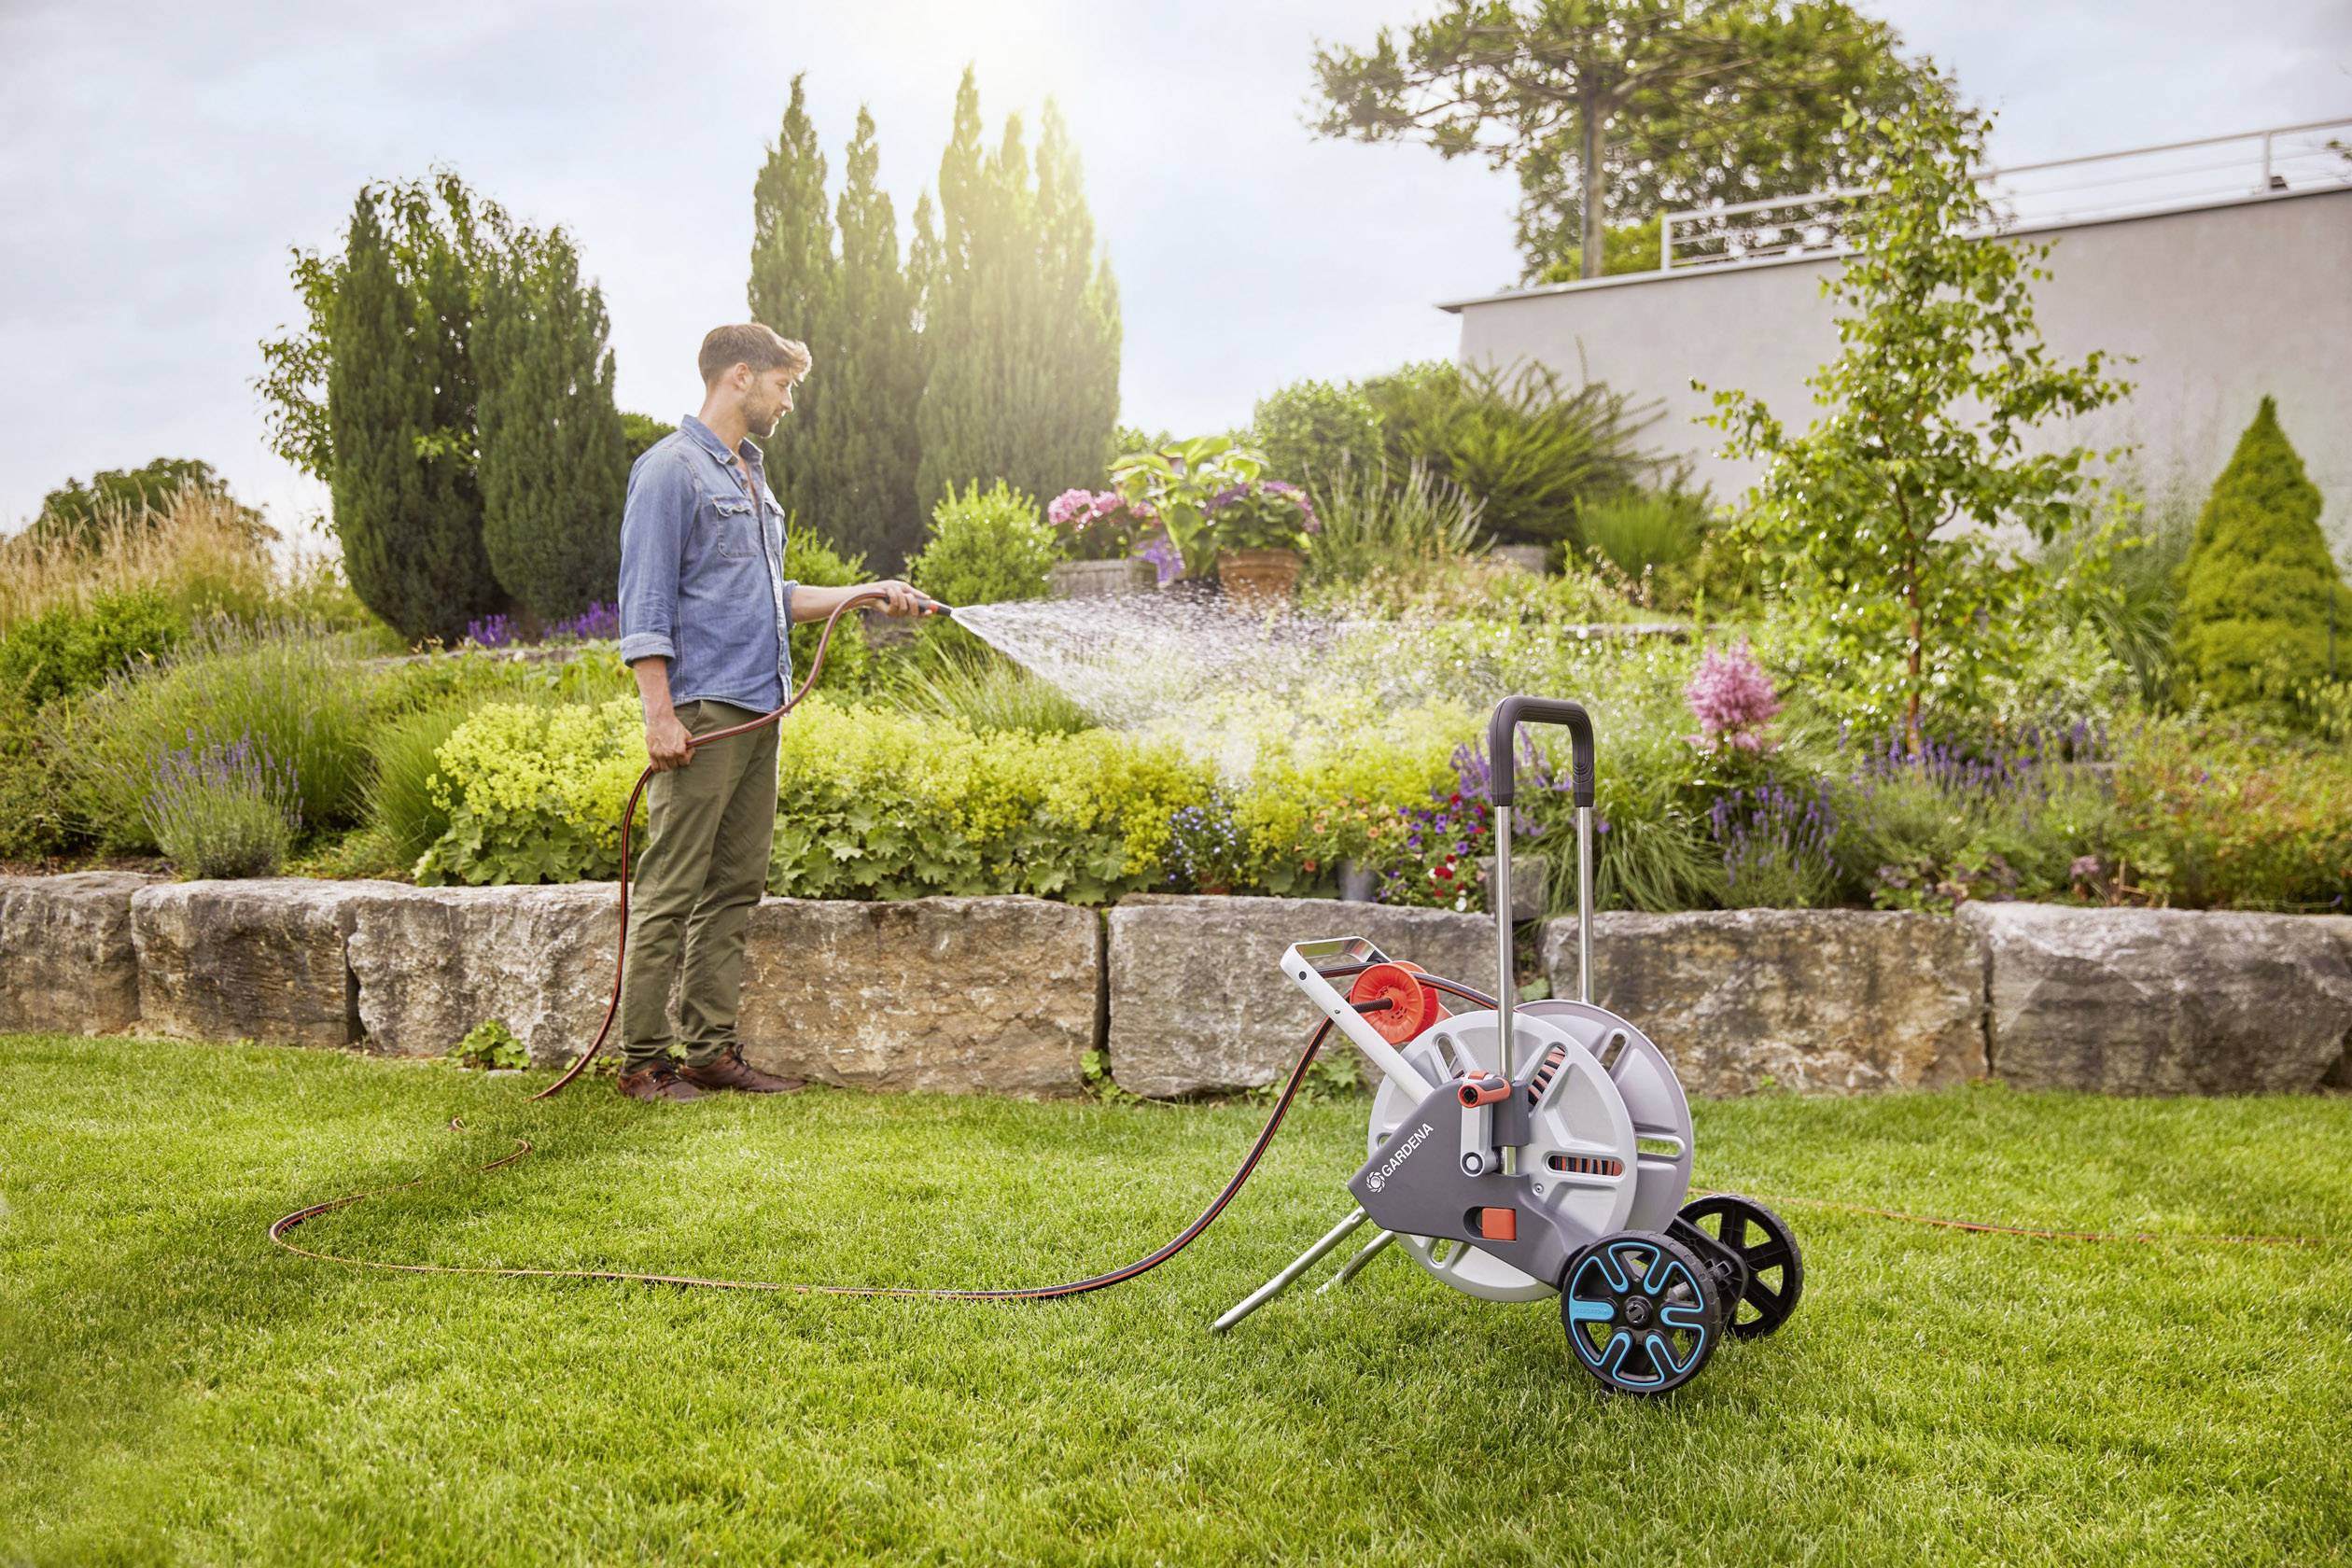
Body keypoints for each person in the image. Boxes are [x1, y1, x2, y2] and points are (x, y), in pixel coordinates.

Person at [611, 323, 927, 1102]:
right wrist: (660, 714)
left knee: (734, 887)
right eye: (784, 386)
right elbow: (645, 603)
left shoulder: (753, 479)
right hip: (704, 712)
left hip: (760, 711)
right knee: (671, 888)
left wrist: (865, 593)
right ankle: (643, 1062)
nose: (788, 402)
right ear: (741, 376)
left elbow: (772, 599)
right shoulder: (671, 471)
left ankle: (709, 1052)